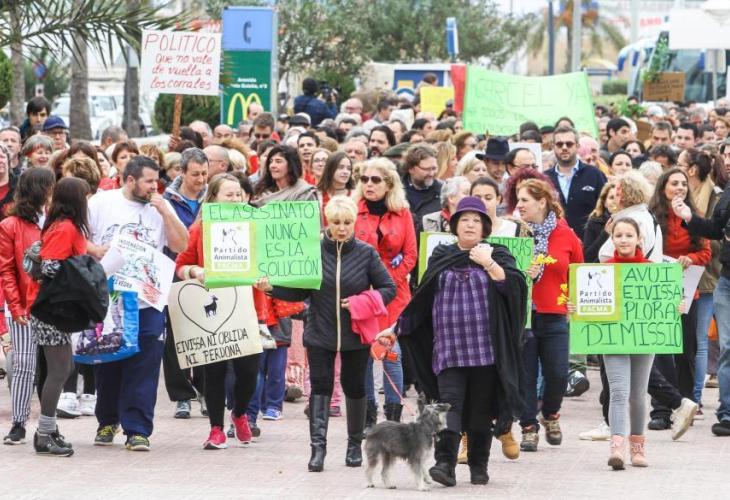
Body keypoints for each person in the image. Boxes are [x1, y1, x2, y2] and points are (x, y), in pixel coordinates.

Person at [254, 196, 396, 472]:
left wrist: (362, 302)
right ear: (327, 222)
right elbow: (299, 291)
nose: (342, 228)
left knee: (355, 388)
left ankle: (354, 446)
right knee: (320, 388)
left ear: (354, 222)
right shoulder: (314, 251)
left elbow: (388, 288)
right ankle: (317, 450)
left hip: (355, 334)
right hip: (320, 331)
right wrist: (271, 288)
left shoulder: (367, 253)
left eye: (347, 222)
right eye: (336, 222)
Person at [397, 196, 528, 487]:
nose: (470, 224)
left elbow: (514, 288)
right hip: (448, 349)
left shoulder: (498, 253)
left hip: (486, 351)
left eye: (476, 220)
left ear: (485, 227)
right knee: (448, 406)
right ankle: (445, 464)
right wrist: (395, 327)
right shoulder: (441, 255)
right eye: (464, 219)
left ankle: (479, 466)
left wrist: (488, 262)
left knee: (480, 413)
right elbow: (422, 297)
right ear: (455, 225)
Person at [88, 156, 188, 451]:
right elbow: (79, 238)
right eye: (148, 181)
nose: (154, 187)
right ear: (130, 179)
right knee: (108, 361)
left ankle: (138, 429)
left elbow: (181, 245)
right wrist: (96, 249)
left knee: (144, 364)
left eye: (157, 181)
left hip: (147, 299)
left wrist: (165, 212)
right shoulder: (101, 203)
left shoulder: (161, 206)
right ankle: (108, 420)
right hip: (110, 298)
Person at [175, 174, 262, 449]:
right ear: (213, 198)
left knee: (249, 371)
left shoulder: (255, 225)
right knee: (214, 370)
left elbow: (269, 261)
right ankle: (216, 428)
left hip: (248, 306)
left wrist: (266, 278)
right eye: (229, 194)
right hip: (213, 311)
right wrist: (195, 271)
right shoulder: (200, 229)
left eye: (239, 194)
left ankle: (239, 413)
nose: (235, 199)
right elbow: (180, 265)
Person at [577, 218, 658, 469]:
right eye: (619, 235)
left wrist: (675, 306)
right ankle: (617, 448)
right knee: (619, 392)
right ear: (612, 239)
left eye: (629, 235)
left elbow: (664, 303)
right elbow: (588, 306)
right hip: (613, 337)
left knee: (638, 395)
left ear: (639, 239)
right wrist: (576, 308)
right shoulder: (602, 271)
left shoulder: (653, 271)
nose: (623, 240)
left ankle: (638, 446)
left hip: (643, 337)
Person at [516, 179, 583, 452]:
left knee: (557, 373)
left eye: (524, 200)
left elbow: (578, 272)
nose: (519, 205)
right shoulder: (515, 233)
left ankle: (551, 413)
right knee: (526, 376)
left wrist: (574, 300)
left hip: (555, 313)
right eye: (518, 200)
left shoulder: (566, 235)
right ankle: (528, 427)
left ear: (542, 202)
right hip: (524, 315)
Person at [29, 177, 91, 456]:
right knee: (59, 371)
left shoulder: (61, 225)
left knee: (62, 369)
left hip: (54, 307)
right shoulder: (65, 228)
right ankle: (44, 433)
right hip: (52, 309)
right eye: (85, 197)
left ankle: (48, 428)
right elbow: (51, 268)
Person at [354, 158, 417, 424]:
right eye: (364, 179)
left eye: (375, 180)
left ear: (389, 184)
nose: (369, 184)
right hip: (362, 293)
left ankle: (393, 417)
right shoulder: (353, 210)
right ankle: (368, 415)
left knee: (392, 353)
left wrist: (387, 283)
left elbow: (411, 255)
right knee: (364, 355)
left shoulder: (403, 213)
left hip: (394, 293)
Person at [647, 168, 710, 428]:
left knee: (685, 351)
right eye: (674, 183)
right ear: (663, 188)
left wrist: (690, 259)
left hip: (687, 291)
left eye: (684, 183)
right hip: (658, 291)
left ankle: (687, 404)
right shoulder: (651, 218)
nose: (680, 188)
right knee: (661, 350)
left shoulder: (694, 218)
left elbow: (705, 252)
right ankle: (662, 410)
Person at [0, 168, 56, 445]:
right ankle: (19, 422)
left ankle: (49, 424)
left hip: (54, 304)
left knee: (56, 366)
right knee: (24, 363)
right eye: (49, 186)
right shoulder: (10, 225)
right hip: (23, 304)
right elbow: (7, 269)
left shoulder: (57, 221)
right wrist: (16, 306)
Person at [161, 148, 209, 419]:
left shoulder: (212, 197)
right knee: (175, 336)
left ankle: (204, 389)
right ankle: (181, 395)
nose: (201, 179)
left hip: (205, 274)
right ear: (181, 172)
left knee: (205, 333)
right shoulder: (167, 200)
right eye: (195, 174)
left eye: (204, 174)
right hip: (174, 272)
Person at [678, 148, 722, 409]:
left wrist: (694, 232)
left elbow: (717, 238)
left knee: (700, 338)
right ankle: (681, 395)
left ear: (692, 169)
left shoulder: (715, 196)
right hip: (679, 273)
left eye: (680, 164)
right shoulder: (679, 194)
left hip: (706, 276)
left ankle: (694, 398)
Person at [544, 126, 607, 240]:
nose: (564, 148)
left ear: (577, 146)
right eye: (559, 144)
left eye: (569, 144)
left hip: (589, 242)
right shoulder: (544, 178)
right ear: (553, 147)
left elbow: (605, 209)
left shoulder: (595, 174)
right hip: (554, 242)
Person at [598, 172, 663, 263]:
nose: (614, 194)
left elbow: (607, 256)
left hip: (631, 271)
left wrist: (609, 234)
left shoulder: (632, 220)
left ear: (621, 195)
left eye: (616, 191)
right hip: (647, 269)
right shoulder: (647, 215)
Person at [252, 145, 317, 206]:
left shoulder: (303, 193)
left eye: (278, 161)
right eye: (271, 161)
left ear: (291, 165)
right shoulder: (260, 191)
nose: (272, 165)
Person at [402, 144, 442, 235]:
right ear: (411, 168)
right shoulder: (395, 191)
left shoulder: (443, 192)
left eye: (434, 168)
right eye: (426, 169)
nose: (431, 173)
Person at [316, 151, 354, 224]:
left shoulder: (356, 194)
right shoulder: (317, 195)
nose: (345, 172)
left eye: (349, 168)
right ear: (330, 169)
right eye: (341, 167)